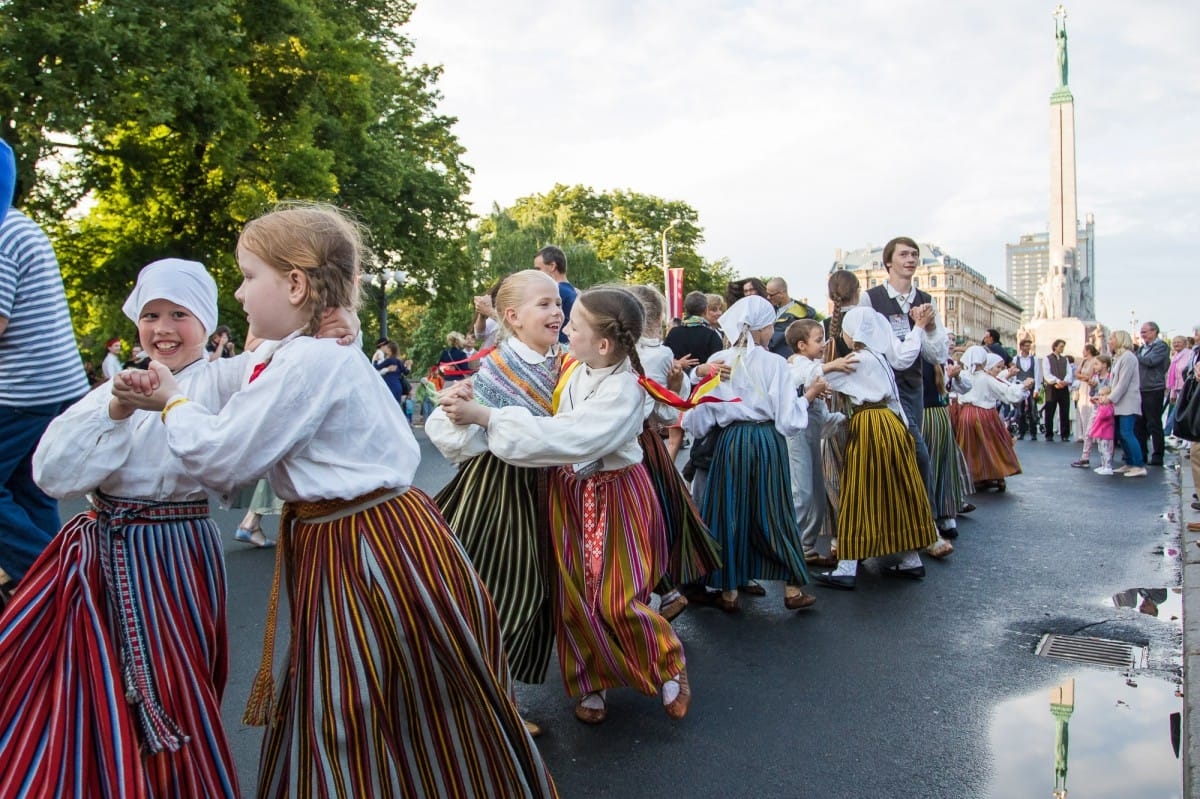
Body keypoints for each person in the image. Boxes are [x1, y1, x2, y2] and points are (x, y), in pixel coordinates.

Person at [114, 204, 557, 797]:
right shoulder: (309, 353)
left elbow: (225, 454)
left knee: (349, 706)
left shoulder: (313, 358)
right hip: (368, 538)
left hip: (363, 548)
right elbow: (247, 389)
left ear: (295, 284)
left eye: (249, 276)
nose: (240, 295)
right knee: (389, 702)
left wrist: (172, 401)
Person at [6, 258, 244, 797]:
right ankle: (107, 776)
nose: (163, 329)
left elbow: (286, 363)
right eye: (151, 314)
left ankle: (177, 783)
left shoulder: (224, 378)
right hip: (97, 558)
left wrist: (340, 325)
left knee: (177, 680)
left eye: (179, 314)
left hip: (178, 552)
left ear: (205, 321)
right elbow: (52, 474)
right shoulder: (116, 386)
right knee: (86, 682)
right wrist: (114, 408)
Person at [441, 286, 690, 726]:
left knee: (616, 597)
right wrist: (467, 396)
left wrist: (487, 417)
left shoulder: (623, 388)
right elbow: (507, 389)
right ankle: (592, 682)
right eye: (556, 310)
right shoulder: (574, 364)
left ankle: (667, 662)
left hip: (615, 495)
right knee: (574, 596)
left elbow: (569, 436)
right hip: (570, 494)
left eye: (572, 322)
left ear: (604, 343)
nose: (564, 326)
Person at [427, 269, 564, 736]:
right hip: (499, 491)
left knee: (544, 592)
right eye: (543, 304)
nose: (556, 311)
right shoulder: (493, 366)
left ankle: (494, 692)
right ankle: (491, 701)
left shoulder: (566, 362)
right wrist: (459, 411)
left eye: (558, 303)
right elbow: (449, 435)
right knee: (507, 591)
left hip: (551, 487)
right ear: (512, 316)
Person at [681, 295, 823, 612]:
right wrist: (808, 397)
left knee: (730, 511)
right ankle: (791, 588)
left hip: (730, 443)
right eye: (770, 324)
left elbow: (700, 414)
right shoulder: (774, 364)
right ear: (761, 328)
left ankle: (729, 592)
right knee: (774, 510)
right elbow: (788, 418)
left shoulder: (720, 359)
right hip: (766, 441)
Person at [0, 192, 90, 605]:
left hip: (19, 386)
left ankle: (54, 583)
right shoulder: (17, 223)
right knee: (28, 489)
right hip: (53, 384)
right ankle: (59, 595)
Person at [810, 307, 938, 589]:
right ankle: (910, 559)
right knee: (896, 491)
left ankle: (847, 566)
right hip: (891, 425)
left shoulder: (854, 360)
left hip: (869, 424)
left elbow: (816, 382)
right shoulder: (879, 358)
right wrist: (904, 431)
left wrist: (821, 368)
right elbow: (895, 400)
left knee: (859, 491)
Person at [627, 284, 721, 621]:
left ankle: (658, 591)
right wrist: (677, 386)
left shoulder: (628, 352)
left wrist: (676, 385)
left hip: (632, 446)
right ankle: (678, 585)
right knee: (670, 513)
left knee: (643, 518)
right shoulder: (658, 352)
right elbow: (665, 414)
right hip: (647, 442)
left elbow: (662, 410)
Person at [861, 237, 953, 559]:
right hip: (880, 387)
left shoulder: (926, 300)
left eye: (914, 254)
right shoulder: (870, 298)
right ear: (888, 262)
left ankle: (919, 525)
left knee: (915, 452)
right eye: (904, 254)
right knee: (911, 452)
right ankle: (914, 527)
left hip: (912, 387)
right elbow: (868, 344)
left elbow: (937, 353)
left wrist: (926, 328)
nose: (911, 259)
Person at [784, 318, 850, 567]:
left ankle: (806, 546)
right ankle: (791, 547)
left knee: (817, 496)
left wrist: (847, 419)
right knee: (801, 493)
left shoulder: (810, 366)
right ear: (801, 345)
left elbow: (823, 420)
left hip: (811, 435)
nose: (823, 344)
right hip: (797, 436)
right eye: (818, 340)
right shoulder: (798, 365)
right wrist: (834, 365)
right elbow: (807, 374)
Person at [955, 348, 1033, 491]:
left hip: (965, 414)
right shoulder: (985, 378)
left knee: (970, 447)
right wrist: (1024, 387)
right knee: (992, 445)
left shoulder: (962, 375)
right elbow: (1006, 392)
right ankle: (996, 475)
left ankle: (974, 476)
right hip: (985, 414)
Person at [1106, 329, 1145, 477]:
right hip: (1120, 402)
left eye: (1112, 338)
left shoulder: (1128, 357)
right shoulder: (1119, 357)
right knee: (1121, 434)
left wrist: (1110, 398)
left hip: (1127, 402)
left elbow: (1123, 383)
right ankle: (1129, 462)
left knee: (1127, 433)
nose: (1109, 341)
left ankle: (1139, 464)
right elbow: (1115, 382)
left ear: (1120, 340)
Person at [1134, 321, 1170, 466]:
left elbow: (1151, 361)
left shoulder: (1160, 346)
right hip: (1140, 389)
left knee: (1154, 423)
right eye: (1141, 332)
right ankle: (1142, 454)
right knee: (1140, 424)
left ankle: (1158, 455)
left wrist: (1134, 357)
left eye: (1145, 332)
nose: (1142, 335)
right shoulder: (1142, 348)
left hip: (1154, 389)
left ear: (1154, 331)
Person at [1072, 354, 1110, 469]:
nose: (1094, 367)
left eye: (1097, 364)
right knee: (1088, 433)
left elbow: (1111, 393)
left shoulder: (1110, 378)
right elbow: (1092, 394)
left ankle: (1106, 460)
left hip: (1106, 410)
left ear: (1104, 365)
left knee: (1105, 437)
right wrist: (1092, 388)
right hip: (1096, 409)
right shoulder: (1095, 378)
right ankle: (1085, 457)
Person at [765, 276, 818, 358]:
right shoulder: (770, 310)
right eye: (767, 294)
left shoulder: (799, 314)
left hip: (788, 359)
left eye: (771, 295)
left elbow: (773, 340)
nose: (768, 297)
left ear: (782, 293)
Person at [534, 245, 576, 345]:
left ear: (552, 266)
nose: (536, 273)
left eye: (538, 269)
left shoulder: (556, 291)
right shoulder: (571, 291)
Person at [1042, 338, 1073, 441]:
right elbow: (1047, 373)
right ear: (1055, 347)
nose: (1062, 348)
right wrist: (1056, 381)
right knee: (1050, 411)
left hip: (1063, 387)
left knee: (1065, 411)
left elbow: (1069, 372)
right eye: (1061, 346)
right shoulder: (1047, 358)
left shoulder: (1065, 359)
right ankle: (1049, 434)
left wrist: (1065, 381)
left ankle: (1064, 434)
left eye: (1063, 347)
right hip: (1052, 387)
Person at [1012, 338, 1041, 440]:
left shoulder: (1034, 359)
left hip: (1031, 387)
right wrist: (1014, 388)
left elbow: (1037, 374)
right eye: (1026, 346)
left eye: (1029, 346)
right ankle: (1021, 432)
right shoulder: (1016, 359)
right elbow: (1014, 375)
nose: (1028, 348)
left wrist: (1037, 389)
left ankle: (1033, 433)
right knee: (1020, 411)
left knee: (1032, 410)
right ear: (1021, 347)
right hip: (1020, 387)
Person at [1088, 385, 1117, 475]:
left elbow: (1105, 415)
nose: (1100, 397)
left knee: (1106, 451)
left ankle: (1108, 466)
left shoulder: (1109, 407)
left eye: (1103, 395)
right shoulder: (1102, 406)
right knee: (1101, 450)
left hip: (1106, 433)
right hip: (1100, 433)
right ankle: (1103, 465)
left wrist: (1101, 405)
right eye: (1099, 395)